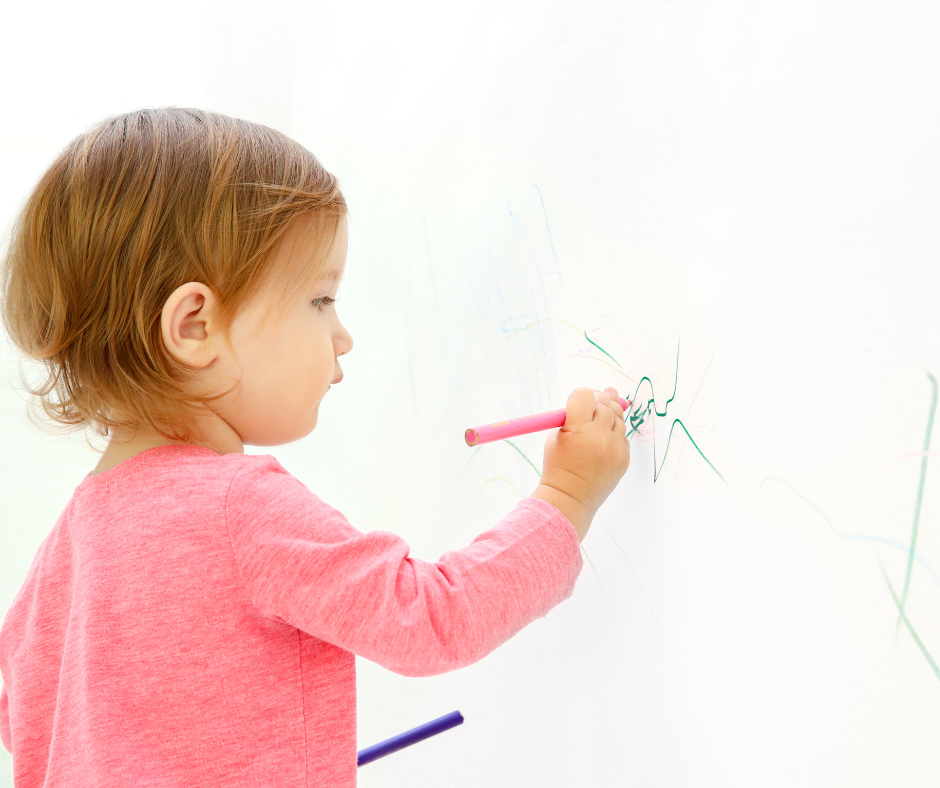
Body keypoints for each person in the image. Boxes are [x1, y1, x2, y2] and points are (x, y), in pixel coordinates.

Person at [0, 108, 630, 786]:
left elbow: (25, 718)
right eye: (320, 299)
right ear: (194, 326)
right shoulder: (238, 509)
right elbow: (430, 618)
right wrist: (565, 499)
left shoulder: (66, 548)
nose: (342, 335)